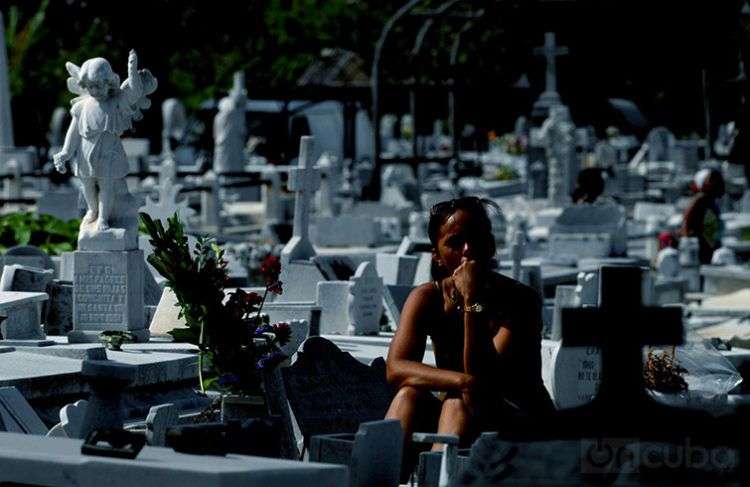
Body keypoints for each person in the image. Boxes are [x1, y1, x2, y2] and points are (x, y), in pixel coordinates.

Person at [385, 197, 554, 458]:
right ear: (437, 256)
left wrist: (471, 301)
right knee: (408, 395)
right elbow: (396, 368)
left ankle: (437, 478)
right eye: (454, 242)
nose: (468, 249)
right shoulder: (427, 298)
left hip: (519, 419)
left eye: (477, 238)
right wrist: (462, 381)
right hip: (466, 406)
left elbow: (485, 377)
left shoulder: (521, 300)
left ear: (492, 244)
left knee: (454, 403)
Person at [53, 50, 156, 231]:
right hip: (86, 154)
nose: (94, 91)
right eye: (91, 87)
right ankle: (92, 210)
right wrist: (66, 152)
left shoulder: (115, 102)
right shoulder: (81, 106)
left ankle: (103, 217)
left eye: (99, 86)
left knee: (106, 185)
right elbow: (74, 131)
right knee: (87, 185)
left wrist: (132, 69)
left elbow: (133, 92)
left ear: (109, 83)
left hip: (108, 152)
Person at [682, 168, 726, 264]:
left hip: (709, 245)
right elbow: (687, 220)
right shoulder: (700, 199)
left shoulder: (712, 202)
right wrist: (688, 241)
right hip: (700, 245)